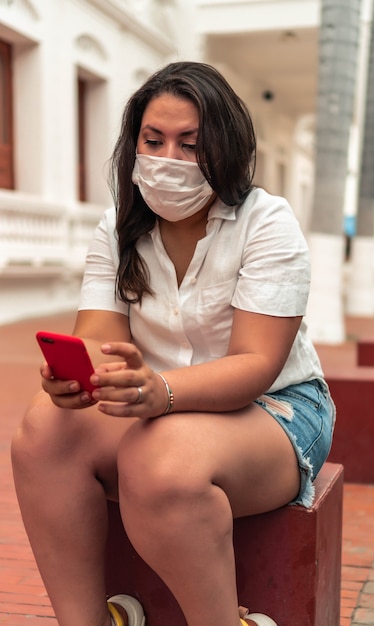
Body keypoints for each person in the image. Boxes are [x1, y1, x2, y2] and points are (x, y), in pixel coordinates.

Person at [11, 61, 336, 626]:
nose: (169, 159)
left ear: (225, 146)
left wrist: (157, 390)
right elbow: (100, 340)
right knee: (43, 430)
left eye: (191, 143)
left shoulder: (266, 223)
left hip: (277, 411)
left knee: (162, 456)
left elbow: (257, 362)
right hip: (157, 409)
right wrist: (78, 379)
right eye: (153, 140)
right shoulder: (118, 227)